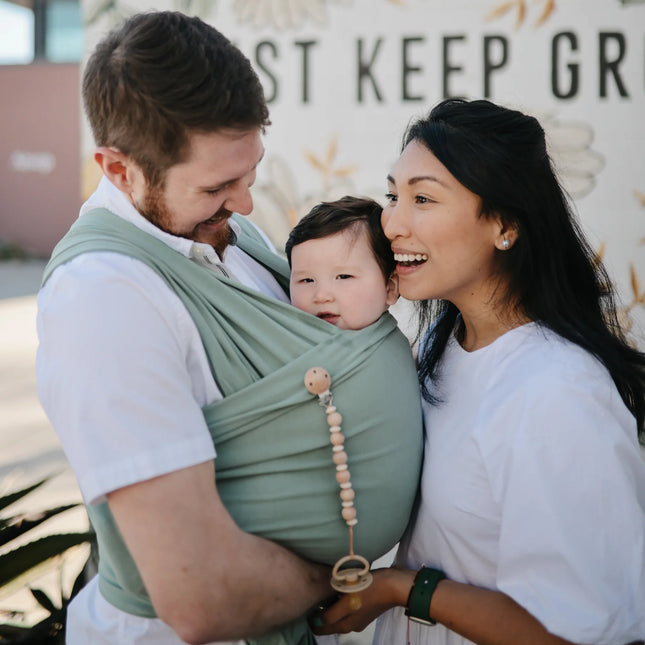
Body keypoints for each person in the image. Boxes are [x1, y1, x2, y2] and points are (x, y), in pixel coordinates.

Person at [36, 11, 423, 645]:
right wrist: (344, 578)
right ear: (118, 170)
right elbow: (201, 596)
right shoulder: (103, 300)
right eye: (218, 185)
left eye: (251, 171)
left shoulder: (228, 234)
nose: (245, 204)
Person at [315, 98, 645, 644]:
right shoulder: (435, 350)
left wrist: (403, 589)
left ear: (504, 225)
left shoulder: (558, 392)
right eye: (394, 195)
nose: (391, 223)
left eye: (423, 198)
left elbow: (578, 632)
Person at [285, 196, 399, 330]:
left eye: (344, 276)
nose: (321, 296)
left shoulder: (390, 350)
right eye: (307, 280)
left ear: (390, 288)